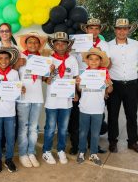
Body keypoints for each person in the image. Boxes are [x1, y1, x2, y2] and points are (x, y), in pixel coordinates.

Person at [68, 18, 110, 155]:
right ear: (86, 29)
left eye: (96, 28)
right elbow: (72, 59)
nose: (94, 30)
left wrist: (104, 84)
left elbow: (107, 63)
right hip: (79, 80)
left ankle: (94, 146)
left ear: (100, 30)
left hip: (97, 83)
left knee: (96, 116)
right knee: (76, 116)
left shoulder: (104, 44)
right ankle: (77, 146)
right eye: (91, 28)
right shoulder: (78, 41)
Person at [107, 18, 138, 154]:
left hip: (132, 85)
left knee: (131, 115)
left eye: (125, 28)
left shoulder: (136, 45)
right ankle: (112, 142)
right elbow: (103, 66)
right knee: (112, 115)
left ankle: (133, 142)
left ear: (128, 30)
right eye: (119, 28)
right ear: (115, 30)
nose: (122, 31)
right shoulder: (108, 46)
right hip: (114, 85)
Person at [42, 32, 79, 165]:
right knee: (50, 128)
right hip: (52, 101)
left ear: (68, 45)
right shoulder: (49, 60)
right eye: (57, 43)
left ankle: (61, 149)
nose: (60, 45)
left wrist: (75, 93)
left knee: (63, 128)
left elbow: (74, 78)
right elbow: (45, 80)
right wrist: (50, 73)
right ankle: (46, 151)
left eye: (63, 43)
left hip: (66, 101)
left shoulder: (73, 60)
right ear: (53, 45)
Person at [76, 48, 113, 166]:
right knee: (83, 132)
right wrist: (78, 83)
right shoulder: (83, 73)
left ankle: (93, 153)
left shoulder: (105, 73)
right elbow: (80, 90)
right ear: (87, 61)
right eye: (91, 59)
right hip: (84, 107)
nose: (93, 61)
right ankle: (81, 152)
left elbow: (110, 90)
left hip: (98, 108)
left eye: (97, 59)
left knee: (95, 133)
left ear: (101, 61)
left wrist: (108, 85)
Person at [17, 33, 49, 168]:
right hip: (23, 98)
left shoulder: (43, 59)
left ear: (39, 45)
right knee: (23, 128)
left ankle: (31, 152)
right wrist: (16, 65)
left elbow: (47, 80)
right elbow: (11, 74)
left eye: (36, 43)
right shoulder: (19, 57)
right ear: (25, 43)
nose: (33, 45)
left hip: (37, 97)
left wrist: (50, 71)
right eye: (30, 42)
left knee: (33, 128)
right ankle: (22, 154)